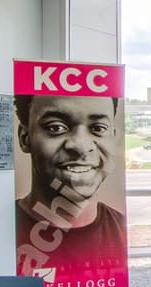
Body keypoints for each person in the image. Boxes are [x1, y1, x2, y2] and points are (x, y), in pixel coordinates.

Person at [15, 92, 127, 277]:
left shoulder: (122, 231)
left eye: (98, 128)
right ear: (24, 137)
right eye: (56, 127)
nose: (81, 146)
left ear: (113, 138)